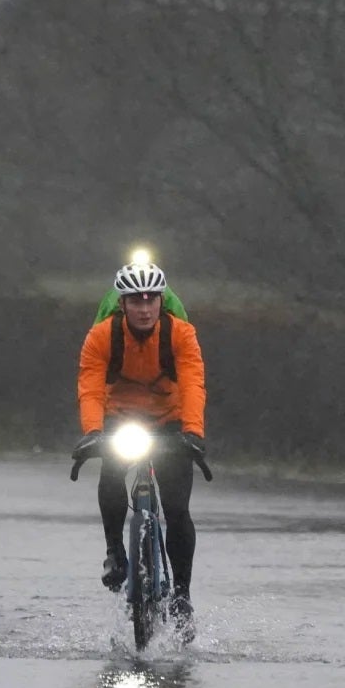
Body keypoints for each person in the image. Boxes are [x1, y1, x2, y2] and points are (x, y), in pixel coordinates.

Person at [74, 259, 207, 624]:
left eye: (151, 300)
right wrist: (93, 433)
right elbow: (90, 386)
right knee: (112, 471)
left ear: (162, 302)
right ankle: (115, 551)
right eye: (136, 300)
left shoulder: (181, 334)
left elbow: (193, 383)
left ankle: (182, 594)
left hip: (170, 417)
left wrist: (193, 433)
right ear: (123, 304)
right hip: (121, 416)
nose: (144, 308)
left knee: (178, 509)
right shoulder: (102, 336)